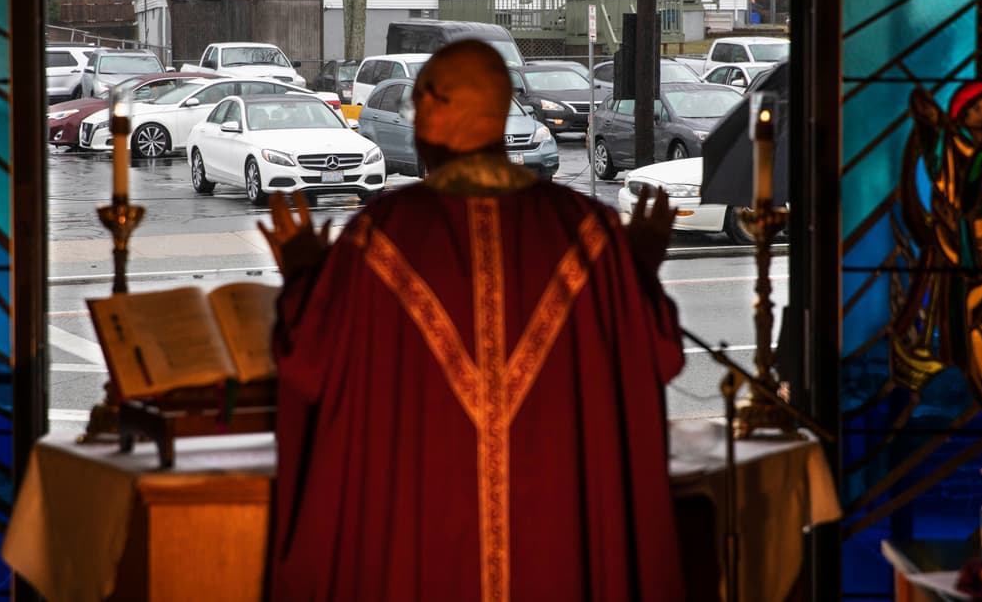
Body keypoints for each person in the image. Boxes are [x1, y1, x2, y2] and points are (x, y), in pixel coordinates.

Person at [260, 40, 686, 600]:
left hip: (423, 544)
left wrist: (303, 278)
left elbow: (311, 364)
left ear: (437, 112)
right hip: (555, 546)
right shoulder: (589, 235)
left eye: (417, 106)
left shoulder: (379, 241)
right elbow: (651, 355)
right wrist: (638, 270)